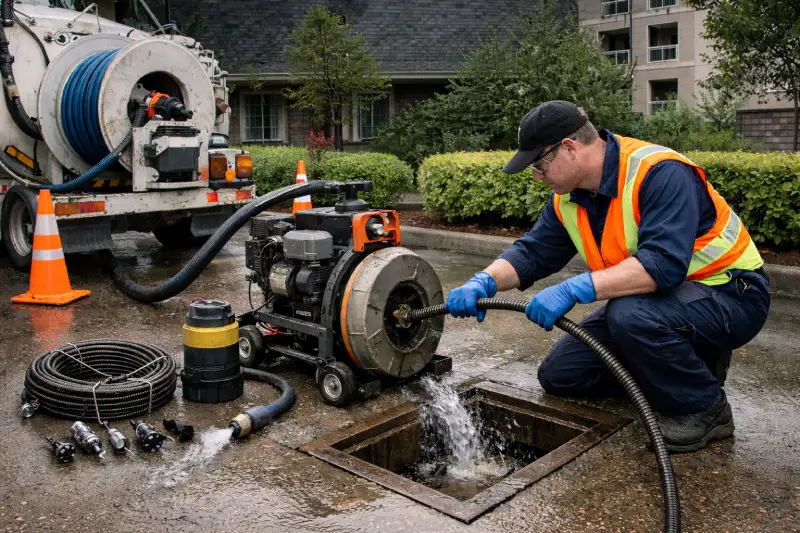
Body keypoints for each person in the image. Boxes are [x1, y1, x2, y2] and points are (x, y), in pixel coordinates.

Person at [446, 100, 770, 453]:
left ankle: (705, 407)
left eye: (539, 165)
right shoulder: (569, 198)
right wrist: (483, 281)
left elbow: (663, 264)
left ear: (568, 148)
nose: (536, 176)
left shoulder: (660, 172)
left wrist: (575, 288)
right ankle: (674, 368)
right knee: (561, 375)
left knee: (629, 316)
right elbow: (532, 252)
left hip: (730, 295)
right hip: (661, 301)